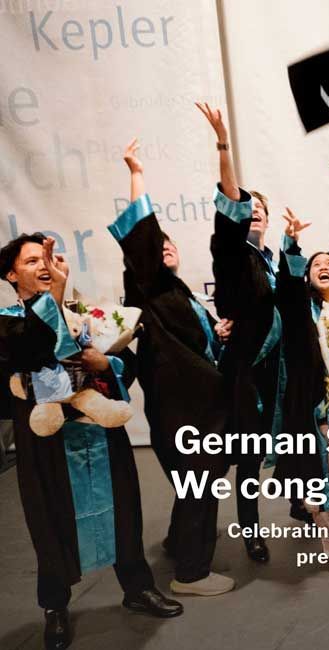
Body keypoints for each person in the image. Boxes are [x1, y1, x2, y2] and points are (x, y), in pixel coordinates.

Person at [1, 233, 182, 650]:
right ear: (11, 274)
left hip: (99, 431)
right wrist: (57, 298)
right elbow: (33, 352)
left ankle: (137, 587)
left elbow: (125, 364)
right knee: (49, 520)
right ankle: (56, 606)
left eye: (48, 257)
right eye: (31, 261)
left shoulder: (86, 315)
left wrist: (108, 361)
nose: (43, 265)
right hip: (47, 441)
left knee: (124, 506)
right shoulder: (6, 319)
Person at [108, 138, 236, 596]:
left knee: (197, 481)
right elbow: (143, 238)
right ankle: (191, 573)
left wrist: (212, 335)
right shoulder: (148, 288)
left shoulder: (180, 294)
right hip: (184, 409)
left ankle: (180, 539)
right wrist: (137, 174)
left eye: (169, 244)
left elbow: (187, 339)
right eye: (154, 245)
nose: (162, 248)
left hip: (200, 406)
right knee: (198, 480)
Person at [197, 101, 280, 563]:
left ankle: (299, 505)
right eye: (247, 211)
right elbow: (230, 203)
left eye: (259, 211)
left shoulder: (275, 260)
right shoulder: (232, 256)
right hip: (244, 373)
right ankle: (249, 528)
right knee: (243, 456)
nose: (253, 215)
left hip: (276, 372)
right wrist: (223, 144)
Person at [272, 202, 329, 551]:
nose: (323, 267)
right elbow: (286, 287)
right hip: (310, 401)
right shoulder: (301, 310)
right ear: (307, 276)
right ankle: (325, 522)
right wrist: (291, 244)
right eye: (315, 265)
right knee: (317, 466)